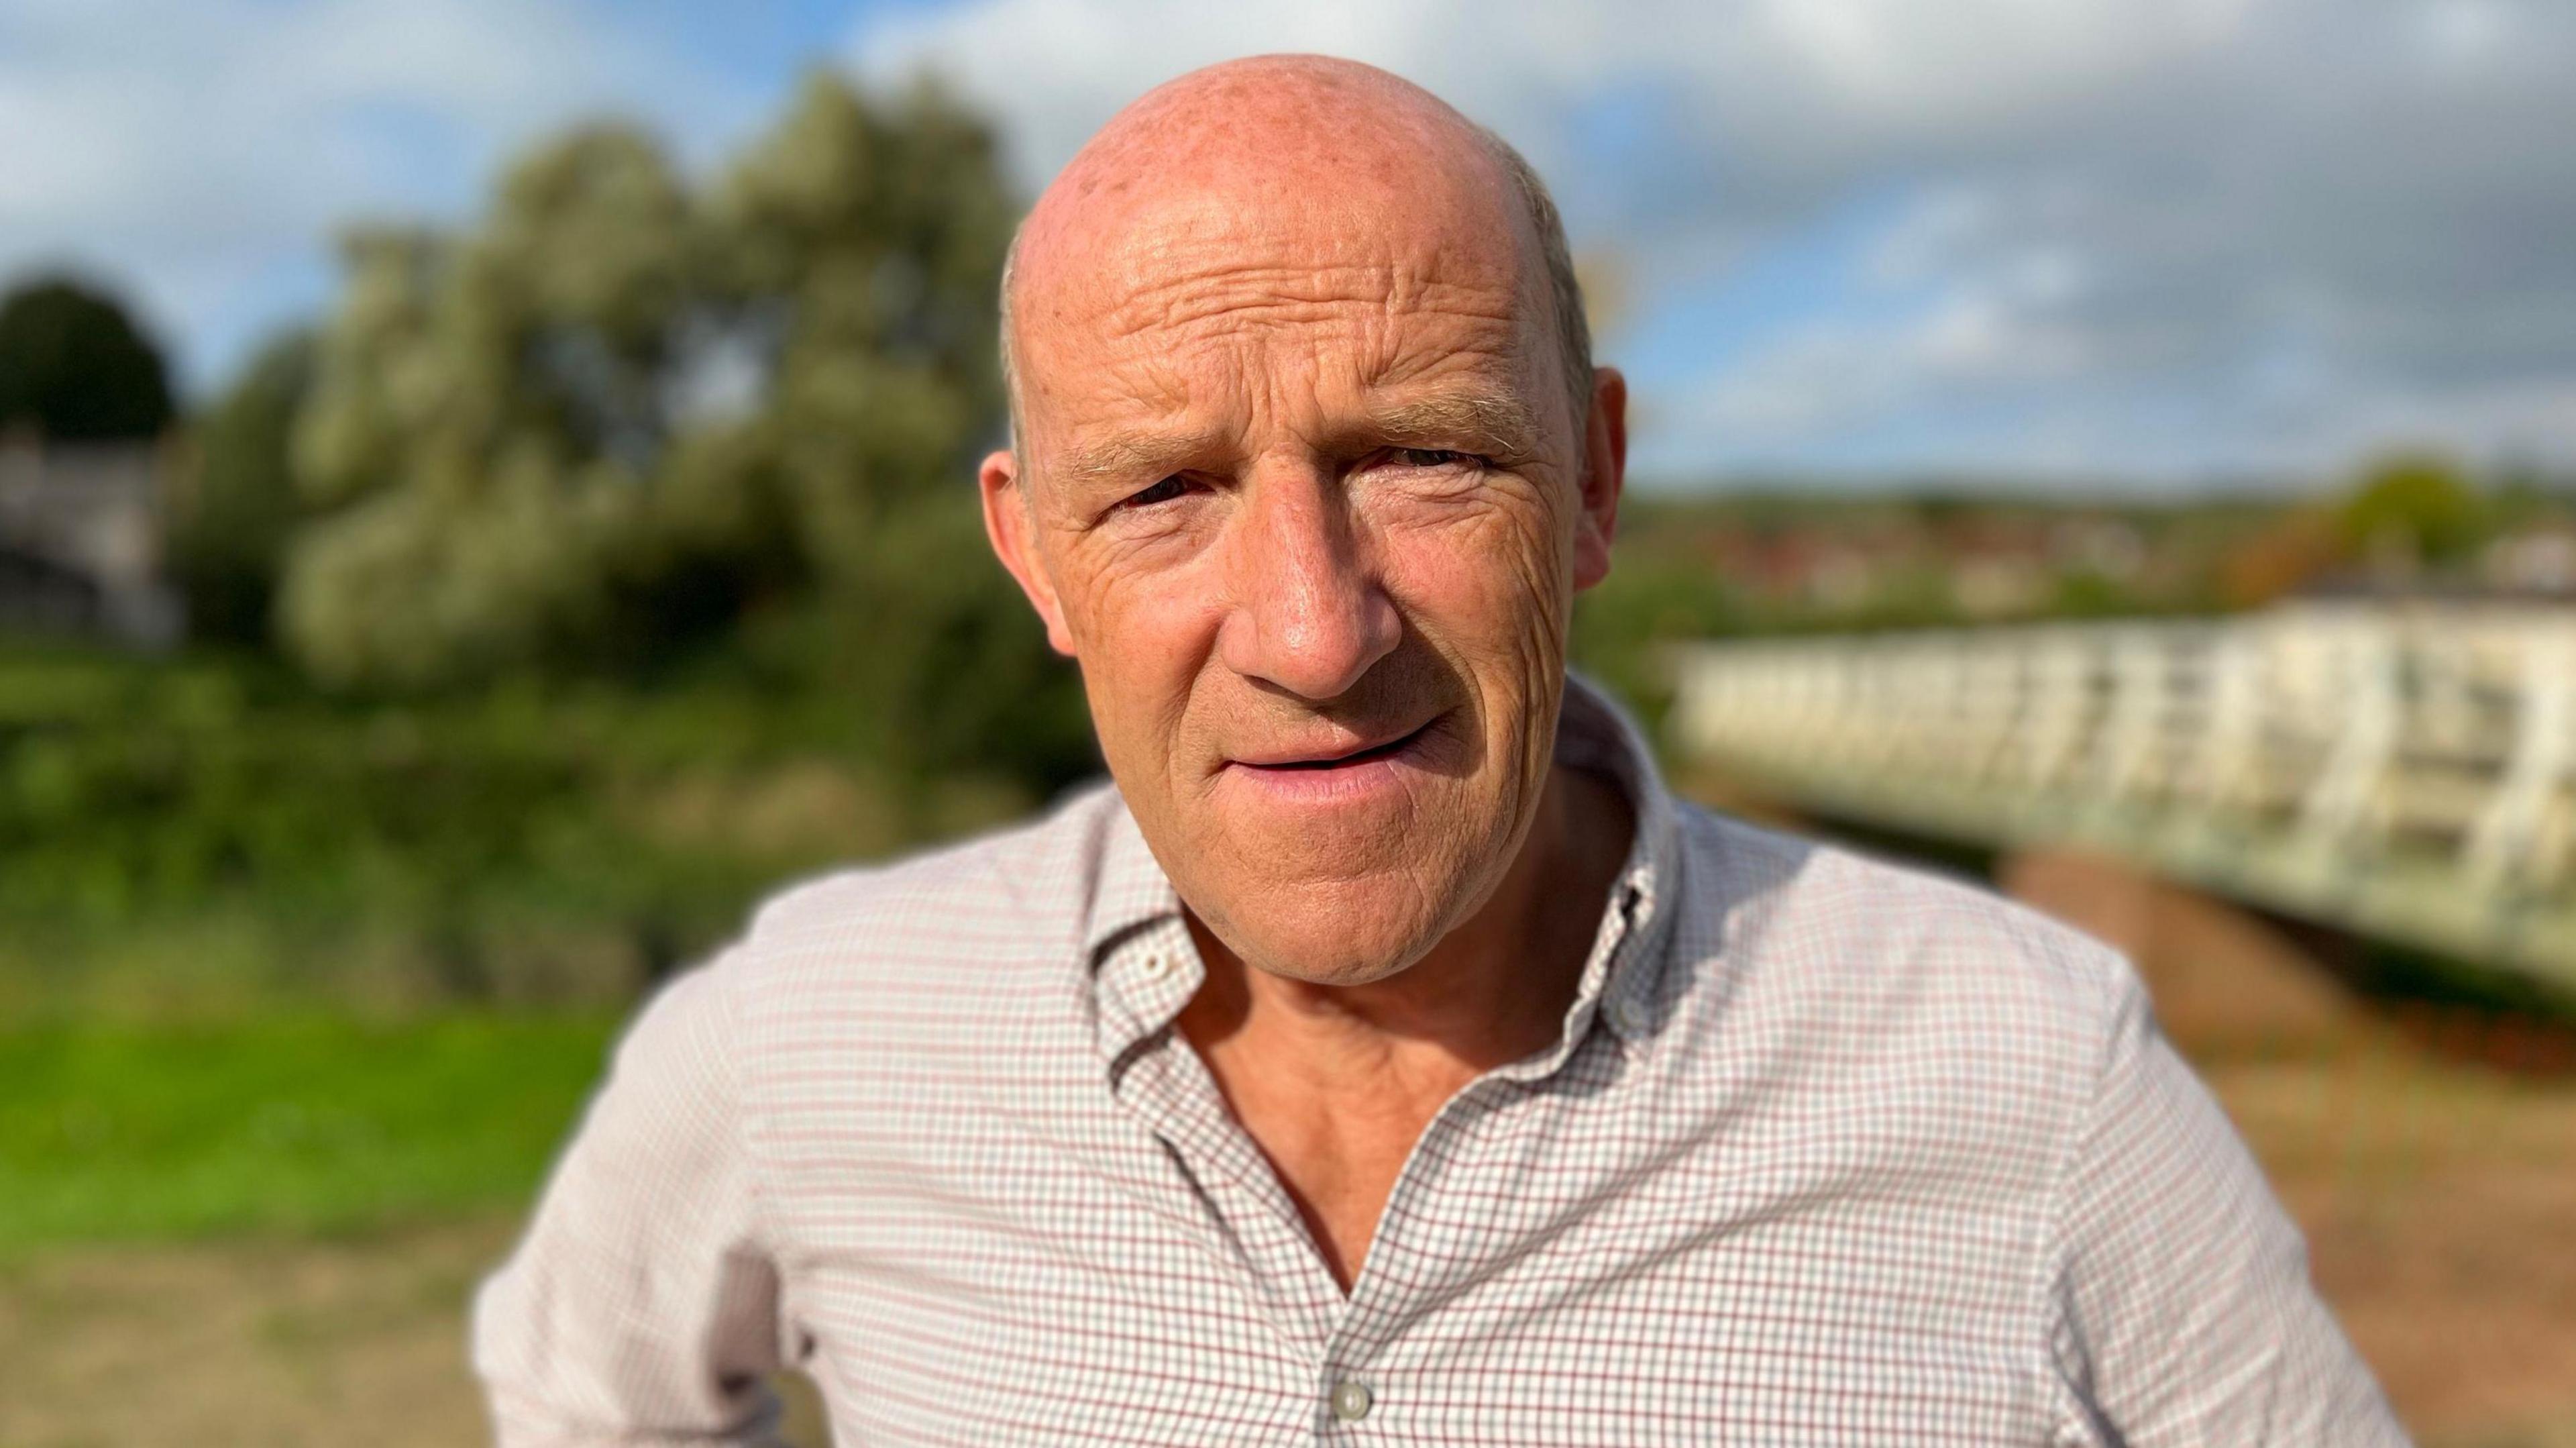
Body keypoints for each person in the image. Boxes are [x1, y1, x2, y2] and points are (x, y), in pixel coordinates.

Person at [473, 55, 2404, 1445]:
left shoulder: (2027, 1074)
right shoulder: (812, 1031)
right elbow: (580, 1398)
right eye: (1163, 491)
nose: (1315, 630)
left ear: (1595, 485)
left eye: (1427, 457)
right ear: (1033, 557)